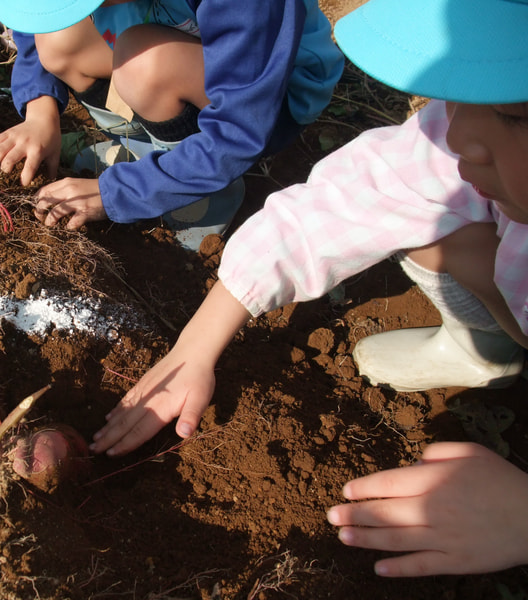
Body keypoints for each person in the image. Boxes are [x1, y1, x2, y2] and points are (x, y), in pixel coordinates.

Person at [91, 0, 528, 578]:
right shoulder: (461, 144)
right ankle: (489, 350)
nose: (462, 133)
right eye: (465, 97)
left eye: (513, 115)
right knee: (440, 225)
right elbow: (351, 199)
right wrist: (195, 346)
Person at [0, 0, 344, 250]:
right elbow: (37, 21)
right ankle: (148, 149)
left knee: (144, 64)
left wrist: (117, 194)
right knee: (58, 40)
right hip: (167, 40)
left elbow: (241, 129)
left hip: (268, 94)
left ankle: (208, 195)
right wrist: (40, 111)